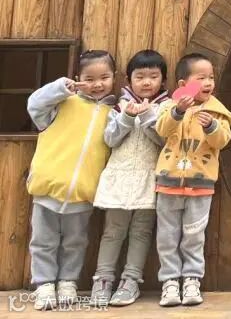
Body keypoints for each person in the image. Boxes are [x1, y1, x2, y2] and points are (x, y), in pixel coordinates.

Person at [26, 50, 118, 311]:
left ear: (114, 77)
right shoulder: (63, 103)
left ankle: (68, 281)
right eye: (89, 78)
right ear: (78, 78)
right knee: (43, 241)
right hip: (48, 187)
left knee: (75, 242)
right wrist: (60, 88)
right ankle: (44, 284)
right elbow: (34, 105)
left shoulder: (113, 113)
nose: (97, 84)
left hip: (83, 192)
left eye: (104, 77)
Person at [154, 53, 231, 307]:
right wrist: (178, 111)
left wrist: (211, 126)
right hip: (168, 183)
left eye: (211, 77)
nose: (208, 82)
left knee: (194, 235)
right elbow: (161, 130)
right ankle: (169, 281)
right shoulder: (169, 107)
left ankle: (191, 279)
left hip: (201, 186)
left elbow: (222, 141)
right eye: (201, 78)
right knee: (167, 236)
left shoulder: (218, 112)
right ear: (183, 84)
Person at [91, 50, 170, 306]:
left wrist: (146, 116)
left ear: (163, 80)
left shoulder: (167, 108)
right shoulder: (118, 106)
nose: (147, 82)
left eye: (153, 76)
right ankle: (103, 280)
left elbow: (164, 141)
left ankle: (131, 281)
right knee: (113, 231)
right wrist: (127, 116)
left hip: (149, 178)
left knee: (141, 232)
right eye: (140, 76)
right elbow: (110, 139)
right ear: (129, 79)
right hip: (120, 176)